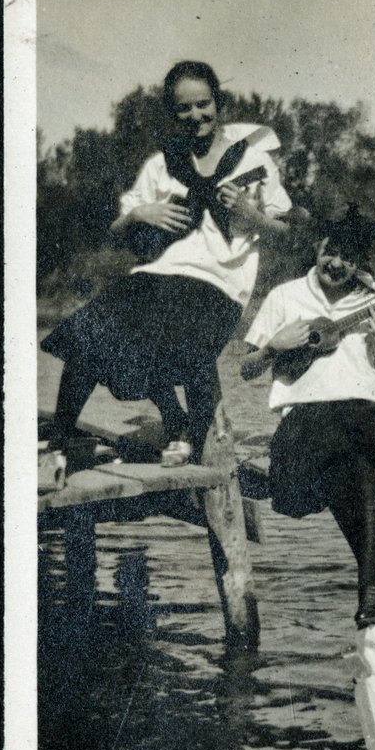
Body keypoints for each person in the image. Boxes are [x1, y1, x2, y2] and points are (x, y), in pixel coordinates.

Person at [42, 61, 293, 465]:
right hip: (162, 273)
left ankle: (189, 431)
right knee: (92, 326)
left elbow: (284, 229)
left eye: (203, 104)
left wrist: (250, 212)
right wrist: (141, 214)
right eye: (184, 109)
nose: (196, 116)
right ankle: (58, 443)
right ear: (173, 113)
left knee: (178, 321)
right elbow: (118, 226)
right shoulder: (164, 162)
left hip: (221, 281)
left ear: (218, 102)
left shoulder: (251, 158)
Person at [241, 206, 375, 630]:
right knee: (353, 473)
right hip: (309, 421)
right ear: (317, 248)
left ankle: (370, 589)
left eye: (348, 258)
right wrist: (272, 347)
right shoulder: (284, 297)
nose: (337, 264)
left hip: (367, 414)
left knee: (356, 476)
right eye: (330, 252)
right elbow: (246, 370)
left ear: (359, 263)